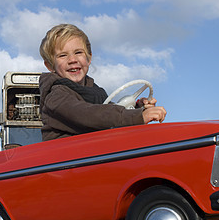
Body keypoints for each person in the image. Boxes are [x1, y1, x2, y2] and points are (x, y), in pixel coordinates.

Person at [39, 24, 167, 141]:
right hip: (64, 161)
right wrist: (136, 117)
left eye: (78, 52)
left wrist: (138, 108)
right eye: (62, 55)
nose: (72, 59)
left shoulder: (95, 92)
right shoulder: (56, 96)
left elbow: (111, 110)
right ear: (50, 66)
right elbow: (88, 115)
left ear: (89, 58)